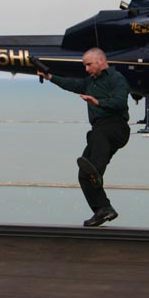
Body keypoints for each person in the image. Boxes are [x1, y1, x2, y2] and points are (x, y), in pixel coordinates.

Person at [37, 48, 130, 227]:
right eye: (85, 66)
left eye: (89, 65)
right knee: (83, 175)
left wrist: (98, 102)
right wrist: (50, 78)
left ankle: (97, 171)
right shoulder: (90, 82)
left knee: (96, 141)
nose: (86, 69)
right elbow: (71, 84)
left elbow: (120, 102)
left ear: (101, 61)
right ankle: (103, 209)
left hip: (115, 127)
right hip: (99, 130)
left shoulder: (116, 78)